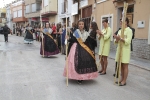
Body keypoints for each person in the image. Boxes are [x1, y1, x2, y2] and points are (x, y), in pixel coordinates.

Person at [63, 20, 98, 84]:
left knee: (84, 62)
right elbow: (73, 39)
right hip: (76, 48)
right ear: (78, 25)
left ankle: (83, 76)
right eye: (80, 24)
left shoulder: (86, 33)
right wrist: (68, 38)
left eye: (82, 24)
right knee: (77, 61)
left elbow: (88, 42)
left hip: (84, 48)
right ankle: (78, 77)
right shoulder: (76, 32)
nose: (81, 25)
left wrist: (91, 49)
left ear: (84, 25)